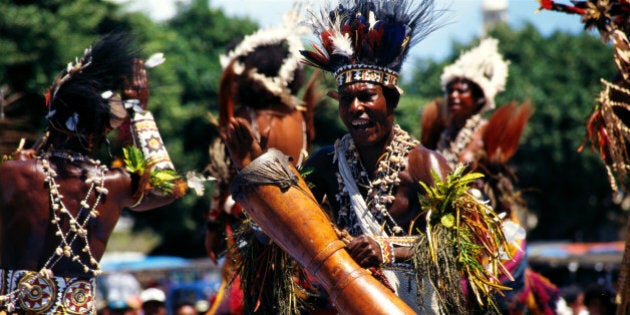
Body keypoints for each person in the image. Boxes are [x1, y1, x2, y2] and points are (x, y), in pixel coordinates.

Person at [223, 1, 512, 314]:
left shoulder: (424, 165)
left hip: (415, 304)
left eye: (366, 96)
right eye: (347, 99)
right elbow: (286, 220)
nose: (356, 107)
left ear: (391, 100)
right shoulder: (325, 164)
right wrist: (254, 170)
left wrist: (388, 249)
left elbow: (460, 243)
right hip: (346, 300)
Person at [0, 34, 184, 314]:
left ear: (54, 118)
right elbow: (170, 188)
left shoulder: (13, 174)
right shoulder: (114, 185)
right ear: (103, 129)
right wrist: (139, 111)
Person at [421, 37, 563, 314]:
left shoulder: (486, 133)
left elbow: (497, 181)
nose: (454, 96)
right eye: (450, 90)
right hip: (438, 221)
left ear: (478, 99)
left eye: (462, 91)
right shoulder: (440, 135)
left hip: (476, 224)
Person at [203, 9, 319, 315]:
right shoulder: (299, 117)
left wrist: (213, 223)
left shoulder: (244, 119)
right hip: (302, 223)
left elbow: (227, 177)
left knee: (243, 302)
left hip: (257, 230)